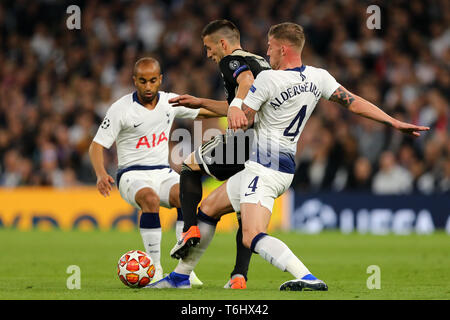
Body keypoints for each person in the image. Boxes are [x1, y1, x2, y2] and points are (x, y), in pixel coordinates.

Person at [149, 22, 429, 290]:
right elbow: (353, 102)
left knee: (251, 235)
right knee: (208, 209)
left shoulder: (269, 79)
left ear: (283, 49)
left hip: (263, 170)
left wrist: (231, 108)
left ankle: (306, 276)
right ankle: (180, 277)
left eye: (270, 47)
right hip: (279, 168)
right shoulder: (319, 77)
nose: (266, 52)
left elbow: (243, 114)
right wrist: (393, 122)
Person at [88, 57, 221, 285]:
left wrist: (235, 109)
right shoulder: (121, 108)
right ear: (134, 81)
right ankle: (155, 269)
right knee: (149, 198)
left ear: (160, 80)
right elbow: (96, 146)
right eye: (142, 81)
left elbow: (203, 112)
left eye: (152, 81)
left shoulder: (170, 102)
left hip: (162, 172)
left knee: (185, 196)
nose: (148, 86)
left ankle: (184, 270)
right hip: (131, 174)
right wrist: (101, 173)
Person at [168, 19, 271, 289]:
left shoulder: (231, 60)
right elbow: (240, 102)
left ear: (222, 43)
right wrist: (202, 102)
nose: (208, 53)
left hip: (246, 140)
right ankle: (239, 276)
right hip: (268, 148)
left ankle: (189, 227)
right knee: (243, 213)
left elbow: (245, 83)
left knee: (189, 166)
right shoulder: (262, 62)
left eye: (208, 47)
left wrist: (236, 106)